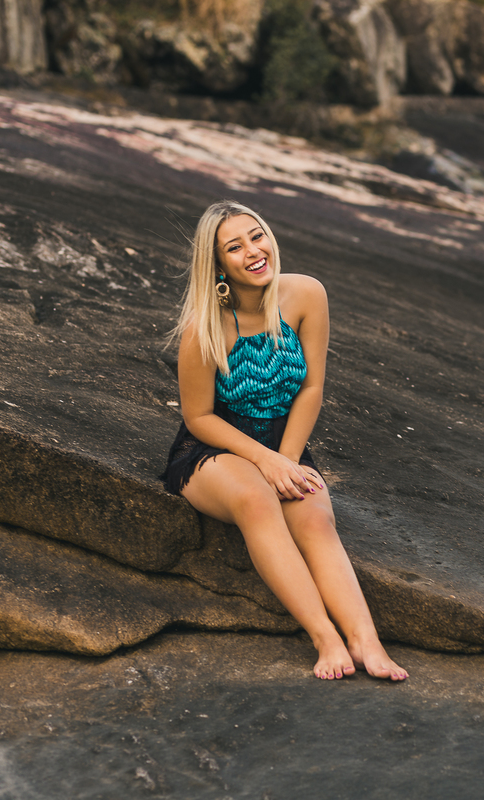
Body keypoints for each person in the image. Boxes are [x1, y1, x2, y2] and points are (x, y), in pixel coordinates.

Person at [161, 200, 408, 681]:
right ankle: (326, 638)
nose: (253, 251)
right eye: (235, 247)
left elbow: (312, 386)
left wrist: (287, 460)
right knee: (256, 499)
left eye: (257, 236)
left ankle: (367, 643)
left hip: (283, 441)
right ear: (218, 266)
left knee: (316, 521)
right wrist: (264, 463)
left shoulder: (306, 294)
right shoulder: (202, 326)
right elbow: (198, 416)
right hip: (216, 447)